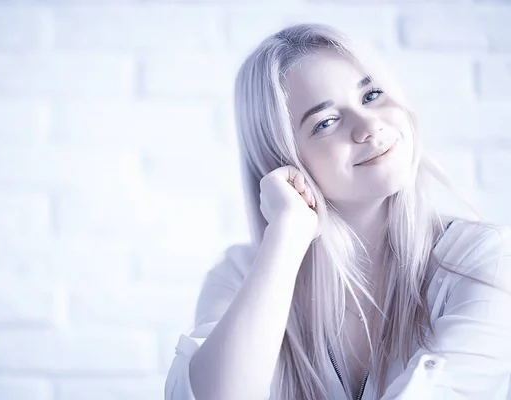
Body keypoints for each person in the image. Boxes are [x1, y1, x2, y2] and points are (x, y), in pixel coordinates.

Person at [163, 23, 511, 400]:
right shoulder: (241, 272)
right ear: (283, 160)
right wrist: (287, 234)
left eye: (372, 95)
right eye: (325, 122)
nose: (369, 126)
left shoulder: (486, 259)